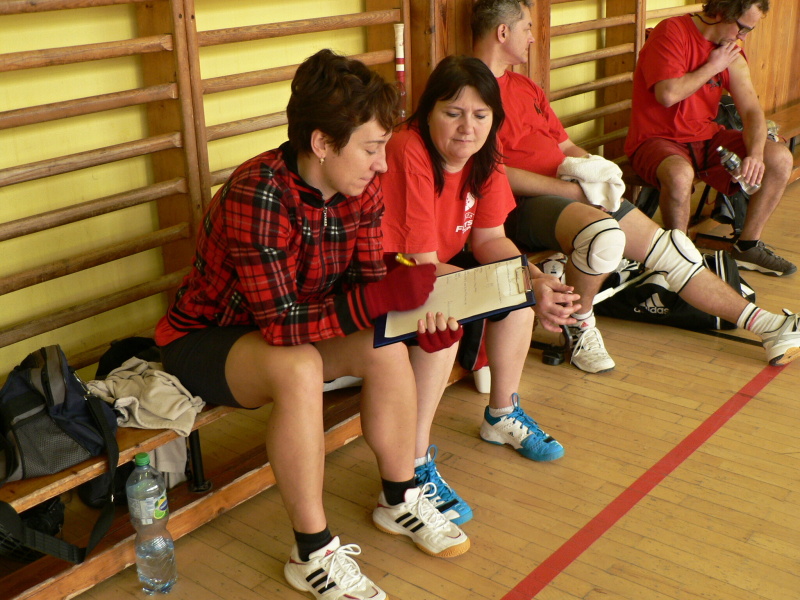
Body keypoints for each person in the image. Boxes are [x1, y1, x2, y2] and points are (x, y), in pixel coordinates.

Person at [154, 49, 470, 600]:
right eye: (371, 148)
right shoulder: (258, 191)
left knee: (384, 345)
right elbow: (281, 324)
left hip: (294, 327)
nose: (382, 165)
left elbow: (368, 288)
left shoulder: (360, 188)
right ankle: (312, 553)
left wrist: (417, 325)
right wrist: (382, 299)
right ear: (322, 143)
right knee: (298, 366)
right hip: (207, 337)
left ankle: (400, 496)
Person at [470, 0, 800, 375]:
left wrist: (599, 172)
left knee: (674, 252)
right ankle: (579, 326)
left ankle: (770, 326)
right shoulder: (472, 94)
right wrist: (575, 192)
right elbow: (492, 173)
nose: (533, 37)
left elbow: (566, 147)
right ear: (503, 32)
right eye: (527, 28)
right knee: (603, 236)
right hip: (521, 204)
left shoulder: (526, 86)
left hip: (567, 189)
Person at [379, 55, 581, 525]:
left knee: (519, 297)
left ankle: (500, 415)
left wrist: (533, 280)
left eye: (480, 115)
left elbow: (489, 239)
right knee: (443, 324)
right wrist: (519, 286)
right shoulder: (408, 149)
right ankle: (412, 463)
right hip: (391, 274)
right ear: (428, 112)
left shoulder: (485, 154)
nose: (467, 128)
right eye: (452, 113)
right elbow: (421, 266)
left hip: (438, 268)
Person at [625, 0, 795, 276]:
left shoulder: (730, 52)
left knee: (779, 157)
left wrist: (755, 154)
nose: (743, 37)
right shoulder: (672, 31)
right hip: (656, 140)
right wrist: (713, 66)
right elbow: (667, 95)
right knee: (679, 175)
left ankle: (747, 246)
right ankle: (679, 262)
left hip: (705, 138)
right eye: (742, 28)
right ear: (722, 13)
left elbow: (752, 111)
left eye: (749, 31)